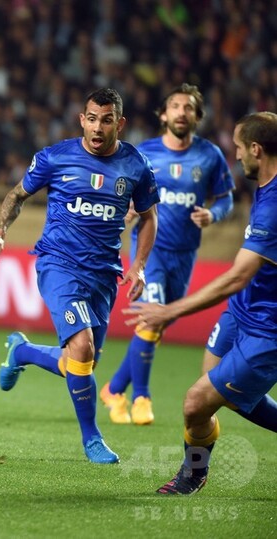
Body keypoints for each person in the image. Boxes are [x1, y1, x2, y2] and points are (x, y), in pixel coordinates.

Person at [0, 88, 159, 464]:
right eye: (91, 119)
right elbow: (16, 196)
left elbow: (149, 218)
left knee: (80, 364)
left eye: (106, 120)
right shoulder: (56, 157)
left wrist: (139, 265)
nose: (98, 127)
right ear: (81, 120)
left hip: (104, 274)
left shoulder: (135, 165)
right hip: (59, 264)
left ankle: (22, 351)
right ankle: (92, 439)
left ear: (120, 124)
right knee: (82, 349)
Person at [125, 111, 277, 495]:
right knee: (212, 392)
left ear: (256, 150)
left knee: (195, 403)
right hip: (244, 310)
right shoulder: (265, 184)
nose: (236, 155)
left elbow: (238, 276)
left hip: (268, 328)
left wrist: (169, 311)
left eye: (239, 148)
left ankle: (193, 474)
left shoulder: (273, 204)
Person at [100, 84, 235, 426]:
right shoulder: (144, 152)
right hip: (151, 250)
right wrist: (127, 208)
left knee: (159, 321)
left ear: (197, 116)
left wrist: (213, 214)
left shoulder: (209, 155)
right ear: (163, 114)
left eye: (188, 107)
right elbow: (120, 187)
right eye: (175, 106)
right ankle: (142, 398)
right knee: (151, 319)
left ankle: (113, 389)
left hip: (185, 254)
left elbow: (227, 198)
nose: (181, 112)